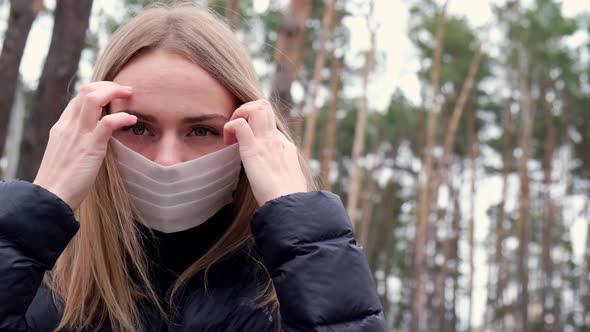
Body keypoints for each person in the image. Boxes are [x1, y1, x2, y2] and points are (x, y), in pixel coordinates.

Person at [0, 4, 386, 332]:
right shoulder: (43, 288)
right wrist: (36, 211)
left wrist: (302, 226)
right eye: (137, 127)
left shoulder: (289, 292)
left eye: (201, 130)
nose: (167, 161)